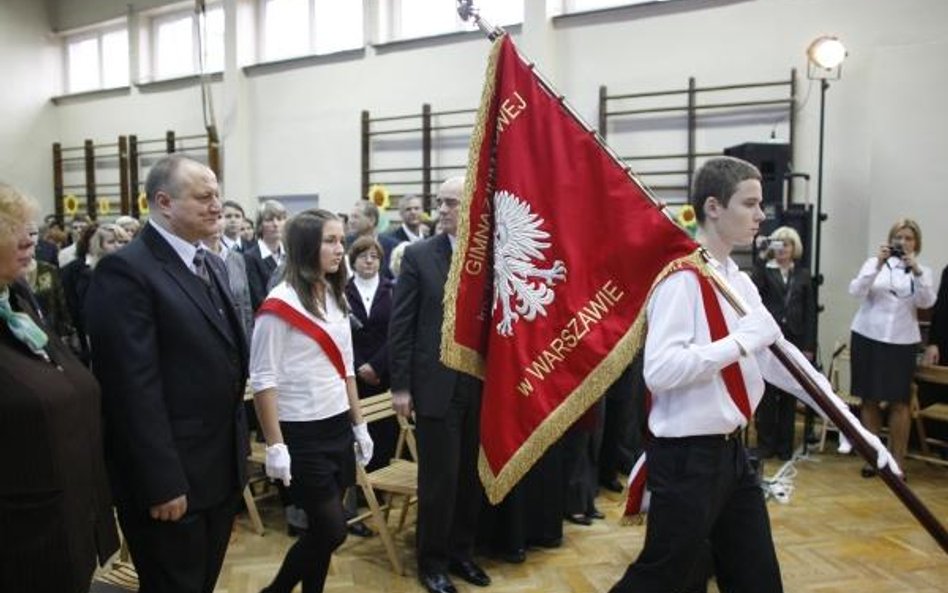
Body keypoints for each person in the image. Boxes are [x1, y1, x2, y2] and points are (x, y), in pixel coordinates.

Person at [609, 156, 899, 593]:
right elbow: (662, 371)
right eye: (750, 203)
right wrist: (741, 341)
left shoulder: (739, 282)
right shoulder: (681, 279)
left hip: (733, 457)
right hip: (687, 459)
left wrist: (857, 428)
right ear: (713, 207)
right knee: (662, 580)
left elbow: (786, 363)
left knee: (757, 577)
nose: (761, 215)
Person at [85, 154, 250, 593]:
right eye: (203, 196)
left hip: (217, 470)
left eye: (217, 194)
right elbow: (131, 390)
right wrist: (160, 482)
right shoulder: (126, 271)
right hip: (171, 481)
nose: (217, 205)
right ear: (163, 202)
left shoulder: (207, 262)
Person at [0, 183, 119, 592]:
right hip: (21, 538)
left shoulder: (16, 297)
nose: (29, 238)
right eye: (13, 228)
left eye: (29, 227)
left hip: (65, 518)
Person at [250, 209, 373, 593]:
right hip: (301, 431)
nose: (341, 249)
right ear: (306, 247)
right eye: (331, 241)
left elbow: (347, 368)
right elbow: (263, 380)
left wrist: (359, 424)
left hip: (337, 424)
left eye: (342, 240)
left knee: (323, 529)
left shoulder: (335, 295)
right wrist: (275, 445)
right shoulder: (279, 304)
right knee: (333, 530)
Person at [389, 177, 491, 593]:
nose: (443, 209)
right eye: (440, 202)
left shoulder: (489, 255)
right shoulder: (418, 256)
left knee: (470, 477)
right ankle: (431, 563)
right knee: (439, 482)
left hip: (479, 384)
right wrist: (400, 386)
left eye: (452, 203)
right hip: (434, 386)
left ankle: (461, 554)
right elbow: (402, 327)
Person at [848, 218, 936, 477]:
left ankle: (897, 462)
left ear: (916, 243)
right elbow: (856, 290)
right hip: (868, 335)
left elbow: (927, 300)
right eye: (899, 237)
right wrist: (876, 264)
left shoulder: (924, 272)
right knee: (870, 399)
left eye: (909, 238)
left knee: (900, 402)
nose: (903, 242)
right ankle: (873, 459)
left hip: (902, 340)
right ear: (891, 239)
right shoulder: (874, 264)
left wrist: (917, 271)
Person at [752, 226, 816, 460]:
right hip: (770, 339)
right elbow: (754, 291)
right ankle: (766, 444)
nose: (782, 250)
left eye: (786, 245)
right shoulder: (764, 271)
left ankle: (785, 446)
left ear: (794, 249)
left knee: (789, 393)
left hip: (795, 338)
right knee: (767, 393)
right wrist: (761, 257)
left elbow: (810, 312)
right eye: (777, 245)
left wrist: (809, 345)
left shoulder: (803, 275)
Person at [206, 215, 254, 338]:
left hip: (240, 335)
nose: (216, 222)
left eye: (219, 217)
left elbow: (246, 303)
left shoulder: (236, 258)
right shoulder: (197, 258)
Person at [245, 199, 288, 311]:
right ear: (260, 225)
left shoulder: (290, 254)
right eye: (269, 220)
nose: (275, 224)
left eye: (280, 219)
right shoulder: (250, 257)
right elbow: (257, 298)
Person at [347, 199, 398, 280]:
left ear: (371, 220)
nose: (350, 221)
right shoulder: (345, 244)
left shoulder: (392, 246)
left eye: (355, 217)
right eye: (350, 217)